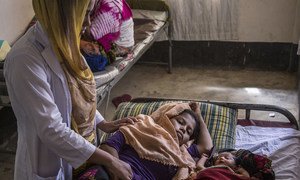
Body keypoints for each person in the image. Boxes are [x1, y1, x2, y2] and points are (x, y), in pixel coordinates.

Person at [4, 0, 136, 179]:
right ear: (62, 13)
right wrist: (110, 160)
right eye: (84, 14)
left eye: (90, 14)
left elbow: (74, 97)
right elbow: (51, 129)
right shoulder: (25, 60)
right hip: (46, 163)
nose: (89, 23)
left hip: (73, 157)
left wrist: (102, 123)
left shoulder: (65, 43)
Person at [78, 102, 213, 179]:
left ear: (187, 141)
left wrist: (199, 116)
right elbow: (108, 146)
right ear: (166, 117)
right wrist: (117, 168)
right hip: (111, 173)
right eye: (180, 122)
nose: (183, 129)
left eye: (188, 131)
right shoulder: (141, 126)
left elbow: (207, 146)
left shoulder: (182, 155)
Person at [189, 149, 275, 180]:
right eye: (218, 158)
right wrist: (204, 157)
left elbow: (246, 177)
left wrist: (241, 169)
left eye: (227, 157)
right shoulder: (212, 168)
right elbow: (200, 167)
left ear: (235, 166)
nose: (221, 158)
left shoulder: (234, 172)